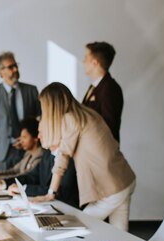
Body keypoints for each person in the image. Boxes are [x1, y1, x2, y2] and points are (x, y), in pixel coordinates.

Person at [32, 82, 136, 231]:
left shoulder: (71, 118)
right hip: (124, 180)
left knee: (79, 227)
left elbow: (63, 156)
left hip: (113, 189)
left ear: (52, 106)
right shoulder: (86, 113)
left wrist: (50, 193)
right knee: (120, 236)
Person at [0, 51, 41, 172]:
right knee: (4, 185)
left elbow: (39, 119)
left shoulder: (31, 91)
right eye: (10, 67)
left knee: (26, 186)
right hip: (3, 153)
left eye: (15, 65)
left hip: (28, 150)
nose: (15, 69)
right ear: (0, 72)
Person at [0, 117, 42, 189]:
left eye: (24, 137)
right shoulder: (28, 154)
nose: (21, 141)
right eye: (21, 137)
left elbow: (24, 176)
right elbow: (14, 171)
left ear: (36, 138)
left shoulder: (40, 156)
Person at [8, 148, 80, 209]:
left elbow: (62, 191)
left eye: (41, 131)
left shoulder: (69, 156)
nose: (39, 136)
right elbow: (32, 177)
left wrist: (23, 189)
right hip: (49, 206)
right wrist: (4, 183)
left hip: (69, 208)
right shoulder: (47, 154)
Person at [82, 41, 124, 142]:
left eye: (86, 58)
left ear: (95, 62)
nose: (83, 62)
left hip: (101, 151)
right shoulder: (94, 87)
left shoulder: (110, 88)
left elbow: (109, 126)